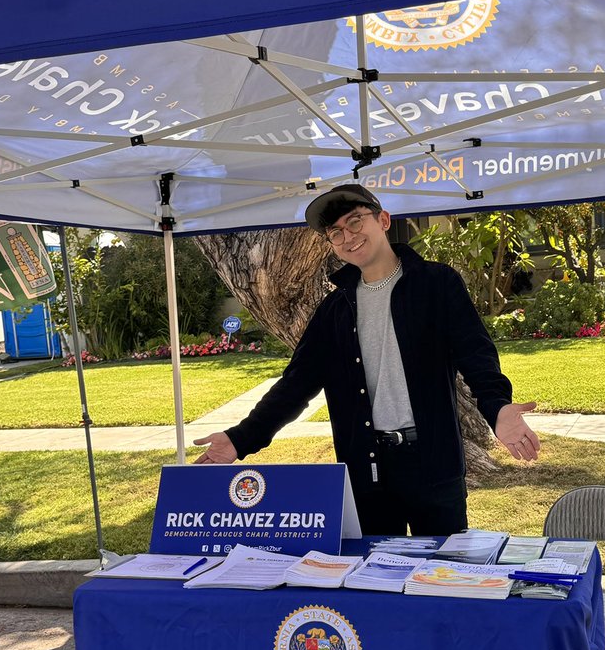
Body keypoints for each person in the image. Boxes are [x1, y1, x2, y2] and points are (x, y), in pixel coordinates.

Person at [194, 184, 540, 535]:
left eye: (355, 221)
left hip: (434, 467)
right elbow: (296, 385)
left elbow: (475, 353)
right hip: (367, 471)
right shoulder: (333, 310)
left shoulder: (436, 284)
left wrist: (497, 408)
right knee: (372, 579)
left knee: (438, 576)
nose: (348, 236)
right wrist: (241, 438)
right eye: (336, 232)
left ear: (384, 220)